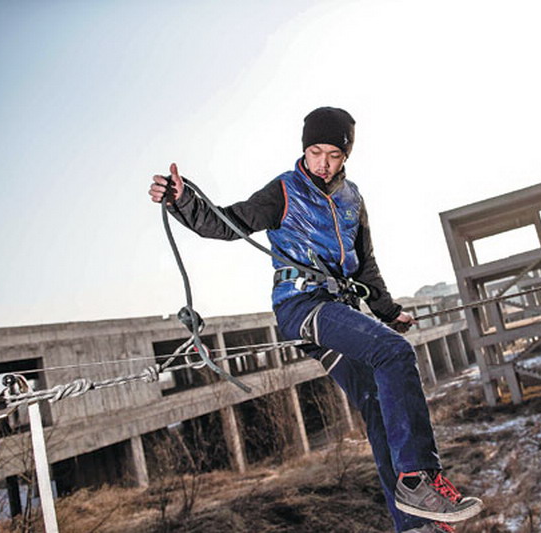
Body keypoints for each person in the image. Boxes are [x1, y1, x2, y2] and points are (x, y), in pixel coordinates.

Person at [148, 107, 482, 533]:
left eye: (333, 154)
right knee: (395, 353)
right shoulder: (285, 190)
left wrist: (386, 309)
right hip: (302, 306)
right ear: (304, 149)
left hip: (341, 309)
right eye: (314, 151)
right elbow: (228, 223)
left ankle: (415, 524)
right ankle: (420, 479)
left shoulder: (352, 199)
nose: (322, 162)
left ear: (346, 156)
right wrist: (183, 200)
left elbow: (365, 265)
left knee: (379, 407)